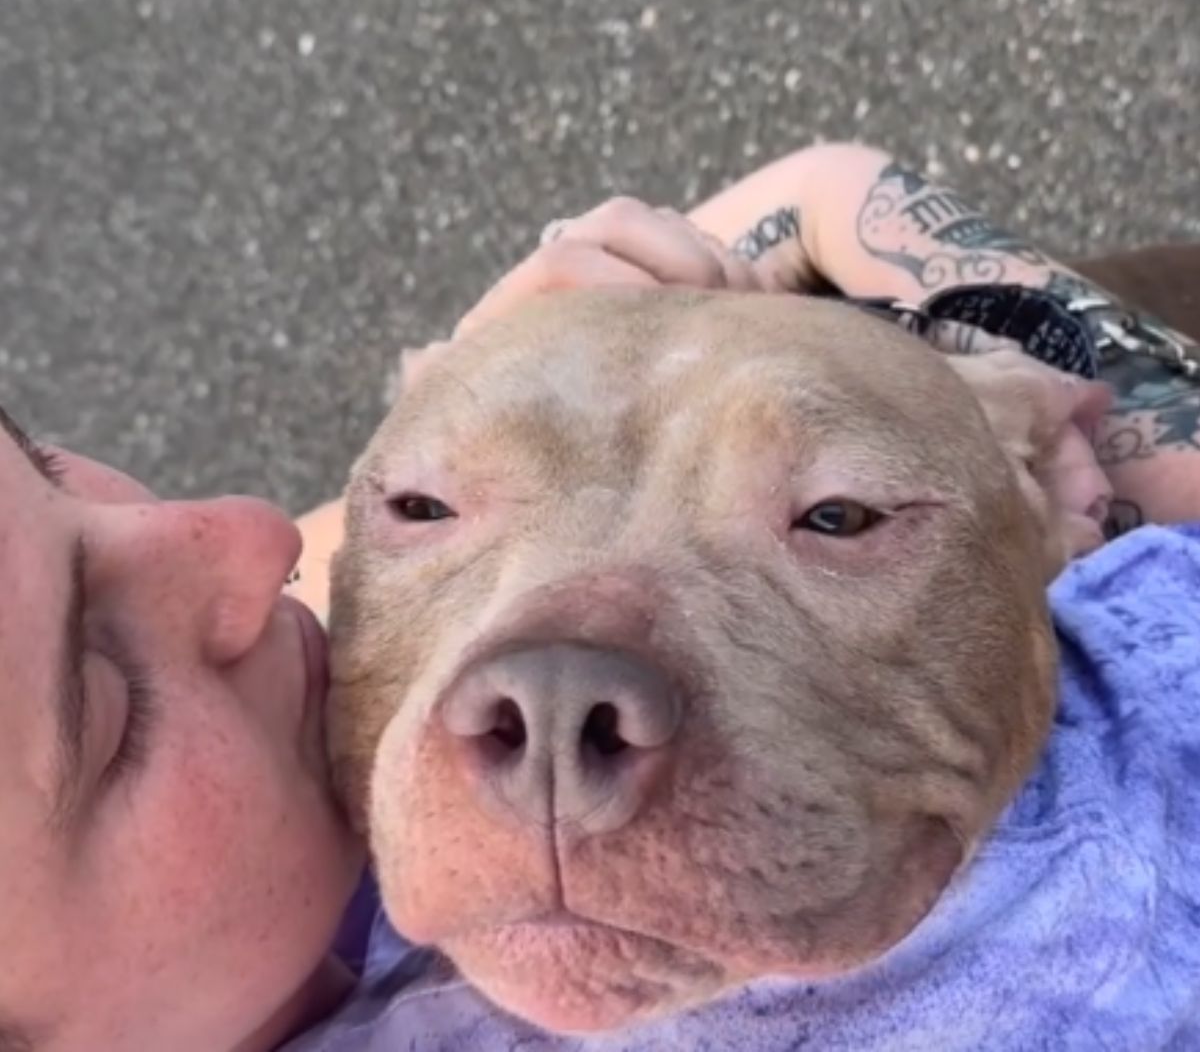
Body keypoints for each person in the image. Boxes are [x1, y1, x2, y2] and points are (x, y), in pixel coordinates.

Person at [1, 143, 1196, 1052]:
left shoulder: (265, 693)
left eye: (49, 467)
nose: (248, 537)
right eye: (105, 707)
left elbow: (814, 209)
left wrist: (527, 380)